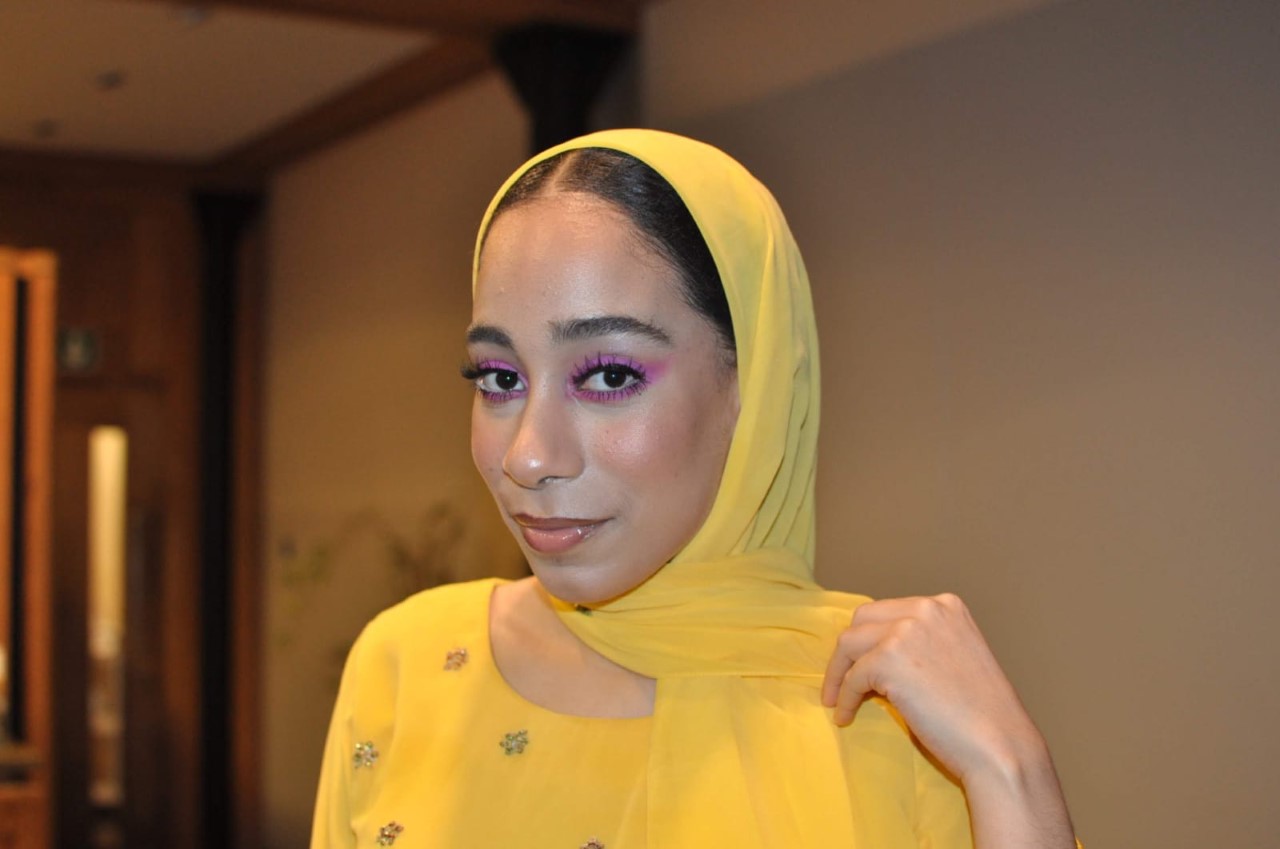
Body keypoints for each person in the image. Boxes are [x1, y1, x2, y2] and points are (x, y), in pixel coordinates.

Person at [310, 129, 1078, 848]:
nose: (530, 456)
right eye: (499, 377)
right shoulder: (406, 668)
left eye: (610, 375)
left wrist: (1011, 770)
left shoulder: (900, 710)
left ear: (756, 384)